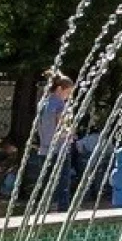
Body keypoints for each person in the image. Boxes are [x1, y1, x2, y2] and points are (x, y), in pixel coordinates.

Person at [37, 73, 76, 212]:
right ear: (59, 89)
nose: (69, 96)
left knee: (47, 183)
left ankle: (47, 209)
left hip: (44, 150)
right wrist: (71, 134)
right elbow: (61, 128)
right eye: (68, 92)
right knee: (62, 183)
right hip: (59, 150)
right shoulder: (59, 104)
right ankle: (62, 211)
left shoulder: (43, 103)